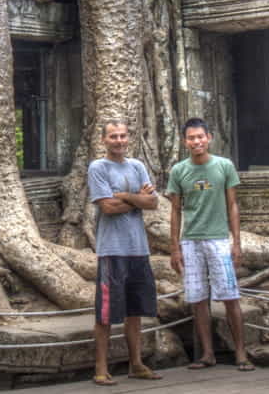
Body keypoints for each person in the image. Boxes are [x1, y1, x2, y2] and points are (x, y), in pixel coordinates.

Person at [165, 118, 253, 371]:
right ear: (185, 142)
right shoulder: (179, 171)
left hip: (218, 239)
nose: (196, 142)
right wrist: (174, 247)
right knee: (198, 298)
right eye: (191, 138)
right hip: (190, 240)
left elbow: (233, 205)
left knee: (230, 295)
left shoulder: (224, 166)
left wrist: (236, 242)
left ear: (209, 138)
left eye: (200, 137)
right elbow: (175, 211)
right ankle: (207, 353)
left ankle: (241, 353)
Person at [88, 119, 162, 386]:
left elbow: (152, 202)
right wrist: (136, 198)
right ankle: (100, 368)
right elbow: (107, 208)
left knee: (135, 309)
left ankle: (137, 364)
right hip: (112, 250)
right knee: (106, 312)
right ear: (103, 140)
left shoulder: (137, 166)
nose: (119, 140)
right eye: (113, 136)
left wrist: (123, 195)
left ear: (128, 138)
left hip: (138, 249)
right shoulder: (98, 167)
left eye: (122, 136)